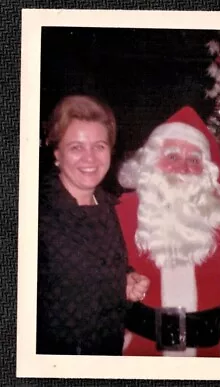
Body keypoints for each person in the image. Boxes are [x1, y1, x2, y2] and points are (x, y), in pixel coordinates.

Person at [116, 106, 220, 358]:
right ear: (151, 161)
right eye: (172, 157)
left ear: (206, 170)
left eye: (193, 160)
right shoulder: (123, 210)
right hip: (140, 353)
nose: (183, 168)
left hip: (212, 354)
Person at [36, 94, 149, 355]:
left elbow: (95, 270)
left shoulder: (109, 208)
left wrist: (125, 280)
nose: (90, 158)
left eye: (99, 146)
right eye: (76, 147)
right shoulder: (37, 214)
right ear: (56, 153)